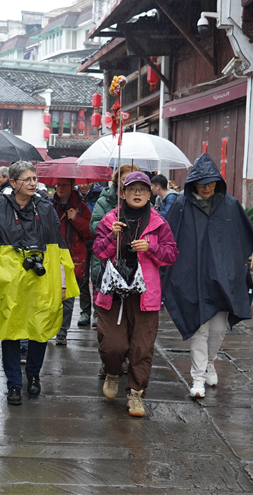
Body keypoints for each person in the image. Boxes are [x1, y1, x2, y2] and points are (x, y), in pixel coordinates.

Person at [0, 161, 79, 406]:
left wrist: (62, 281)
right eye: (27, 179)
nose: (33, 183)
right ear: (12, 182)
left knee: (40, 328)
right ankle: (13, 384)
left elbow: (57, 247)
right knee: (10, 331)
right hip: (9, 283)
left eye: (34, 178)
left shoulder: (45, 207)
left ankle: (33, 375)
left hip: (41, 280)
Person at [163, 153, 253, 399]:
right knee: (199, 328)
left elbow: (243, 239)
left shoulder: (229, 205)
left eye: (211, 183)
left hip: (223, 277)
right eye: (202, 183)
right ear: (193, 183)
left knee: (218, 329)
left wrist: (234, 268)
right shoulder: (181, 205)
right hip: (192, 277)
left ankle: (209, 363)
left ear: (218, 182)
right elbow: (168, 238)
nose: (206, 188)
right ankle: (197, 379)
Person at [93, 172, 178, 417]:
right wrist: (113, 237)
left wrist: (151, 247)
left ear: (150, 193)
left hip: (145, 295)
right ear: (123, 193)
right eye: (132, 189)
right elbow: (98, 251)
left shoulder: (159, 222)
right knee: (112, 346)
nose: (137, 193)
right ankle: (112, 372)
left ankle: (136, 394)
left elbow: (171, 255)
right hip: (114, 294)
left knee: (142, 348)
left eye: (143, 189)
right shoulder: (111, 219)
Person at [89, 164, 140, 331]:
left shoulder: (142, 200)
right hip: (108, 255)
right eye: (125, 179)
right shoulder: (105, 200)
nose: (129, 182)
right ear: (117, 180)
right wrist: (111, 226)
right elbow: (94, 225)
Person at [52, 179, 93, 344]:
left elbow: (90, 232)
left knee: (67, 297)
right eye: (58, 185)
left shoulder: (81, 207)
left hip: (72, 257)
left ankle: (62, 331)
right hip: (53, 255)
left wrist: (76, 219)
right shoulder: (49, 205)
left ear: (71, 187)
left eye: (64, 185)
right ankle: (49, 328)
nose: (60, 188)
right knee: (50, 296)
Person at [76, 182, 103, 327]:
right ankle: (85, 311)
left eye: (86, 183)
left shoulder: (100, 195)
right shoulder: (75, 196)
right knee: (82, 278)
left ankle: (97, 312)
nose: (83, 186)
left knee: (97, 276)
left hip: (97, 240)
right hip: (80, 241)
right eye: (80, 183)